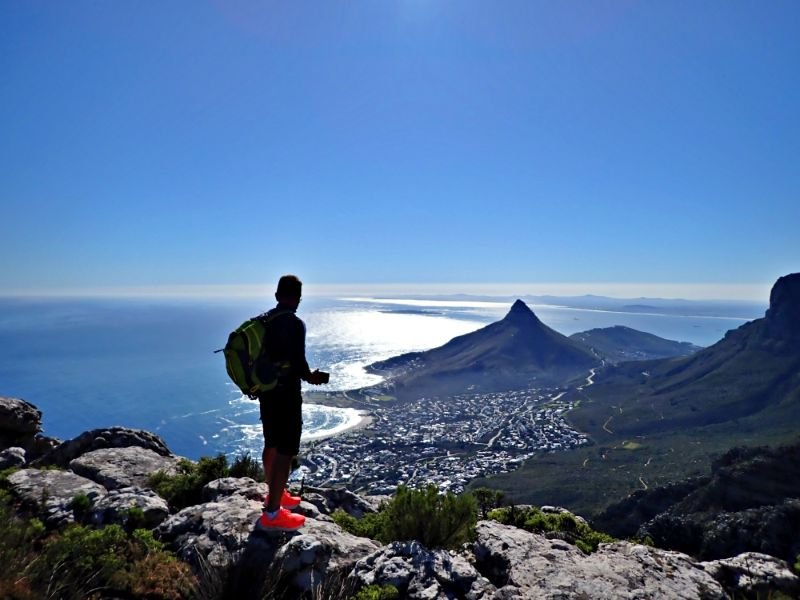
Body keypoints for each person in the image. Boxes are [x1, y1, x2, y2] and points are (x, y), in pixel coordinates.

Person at [256, 274, 328, 532]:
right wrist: (313, 377)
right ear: (298, 298)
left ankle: (275, 494)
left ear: (277, 296)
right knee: (286, 451)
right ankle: (273, 513)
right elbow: (298, 364)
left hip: (267, 392)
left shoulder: (264, 321)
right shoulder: (295, 324)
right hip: (286, 394)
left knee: (271, 445)